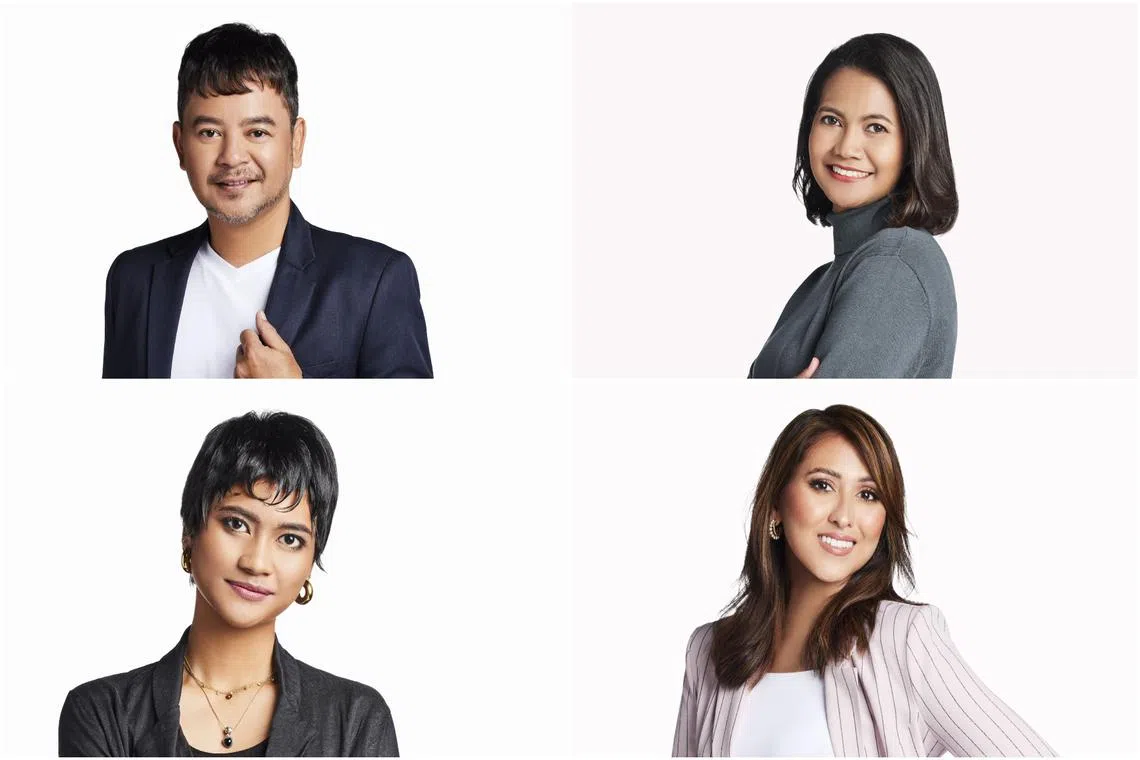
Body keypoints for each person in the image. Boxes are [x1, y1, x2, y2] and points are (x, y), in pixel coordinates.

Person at [672, 405, 1053, 757]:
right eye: (823, 485)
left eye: (868, 494)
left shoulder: (903, 637)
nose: (844, 516)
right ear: (775, 505)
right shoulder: (708, 650)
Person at [102, 23, 432, 379]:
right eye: (209, 132)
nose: (232, 156)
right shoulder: (134, 280)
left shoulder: (375, 282)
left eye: (257, 132)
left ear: (296, 142)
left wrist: (293, 392)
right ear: (180, 145)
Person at [59, 411, 399, 756]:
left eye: (290, 539)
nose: (256, 562)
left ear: (311, 561)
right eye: (236, 524)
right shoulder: (102, 713)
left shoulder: (356, 719)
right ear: (189, 531)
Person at [748, 34, 957, 379]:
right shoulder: (827, 278)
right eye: (831, 120)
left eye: (876, 127)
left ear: (913, 144)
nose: (847, 148)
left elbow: (828, 413)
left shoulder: (893, 265)